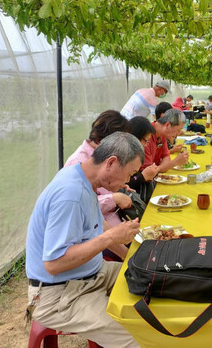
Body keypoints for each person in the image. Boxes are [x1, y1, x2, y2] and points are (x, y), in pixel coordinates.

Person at [26, 132, 144, 348]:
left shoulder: (83, 178)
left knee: (148, 279)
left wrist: (128, 256)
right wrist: (109, 238)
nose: (128, 181)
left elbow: (99, 224)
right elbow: (54, 264)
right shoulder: (70, 194)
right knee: (135, 337)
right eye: (130, 173)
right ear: (111, 163)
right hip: (59, 295)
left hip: (91, 275)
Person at [64, 110, 132, 260]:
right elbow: (84, 208)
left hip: (106, 226)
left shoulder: (97, 157)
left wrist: (117, 185)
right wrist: (113, 198)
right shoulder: (79, 165)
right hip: (92, 239)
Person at [143, 108, 189, 172]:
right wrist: (175, 162)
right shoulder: (145, 136)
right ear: (167, 125)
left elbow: (166, 159)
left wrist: (162, 167)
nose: (178, 134)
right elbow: (148, 172)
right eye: (178, 130)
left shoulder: (163, 134)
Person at [127, 116, 160, 202]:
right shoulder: (123, 154)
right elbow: (122, 185)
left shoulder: (136, 153)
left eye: (148, 141)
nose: (146, 145)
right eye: (145, 141)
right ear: (135, 136)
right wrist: (142, 177)